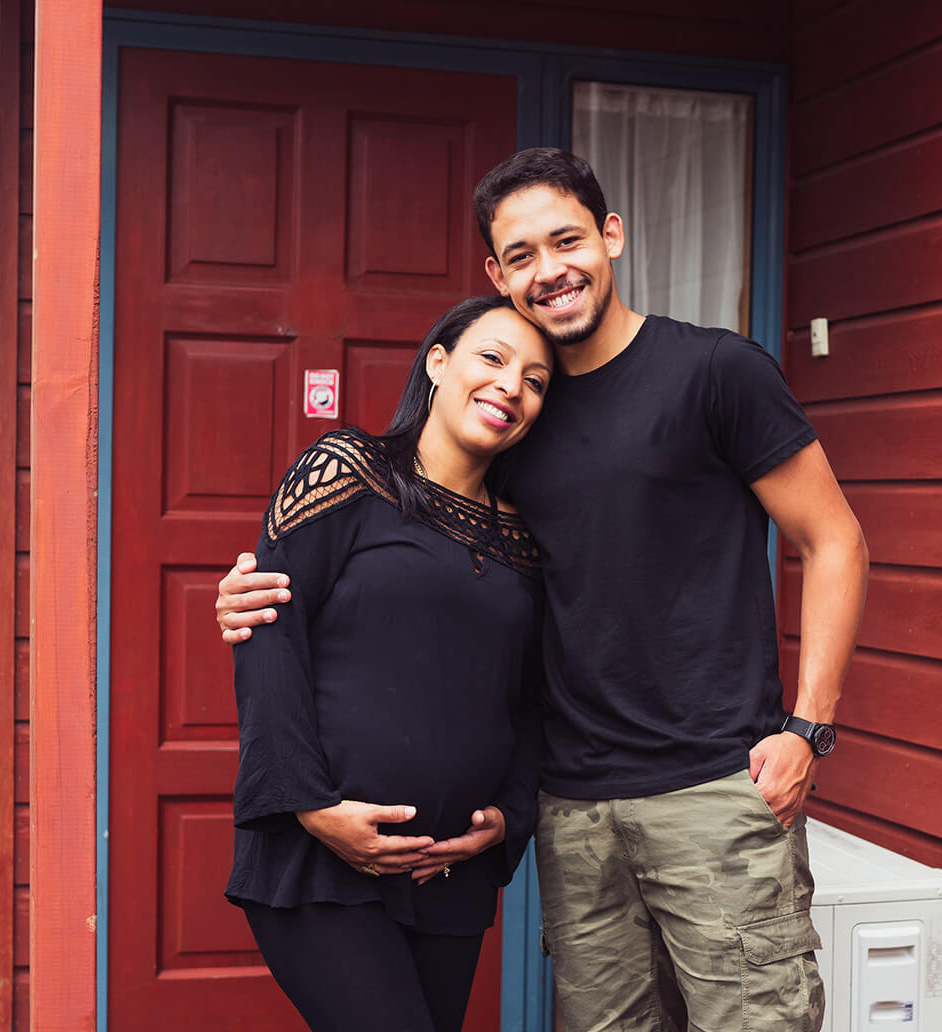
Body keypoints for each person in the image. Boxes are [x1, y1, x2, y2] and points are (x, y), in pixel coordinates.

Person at [218, 148, 867, 1032]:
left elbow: (833, 539)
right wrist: (254, 596)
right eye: (520, 255)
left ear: (612, 236)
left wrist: (809, 728)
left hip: (712, 788)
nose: (549, 270)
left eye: (566, 241)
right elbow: (440, 603)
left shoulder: (715, 371)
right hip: (578, 810)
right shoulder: (513, 428)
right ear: (493, 278)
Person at [225, 295, 552, 1032]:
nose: (511, 386)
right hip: (324, 860)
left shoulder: (526, 540)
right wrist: (314, 809)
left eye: (535, 381)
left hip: (449, 874)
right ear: (438, 363)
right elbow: (267, 633)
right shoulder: (347, 471)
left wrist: (507, 818)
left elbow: (528, 701)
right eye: (493, 359)